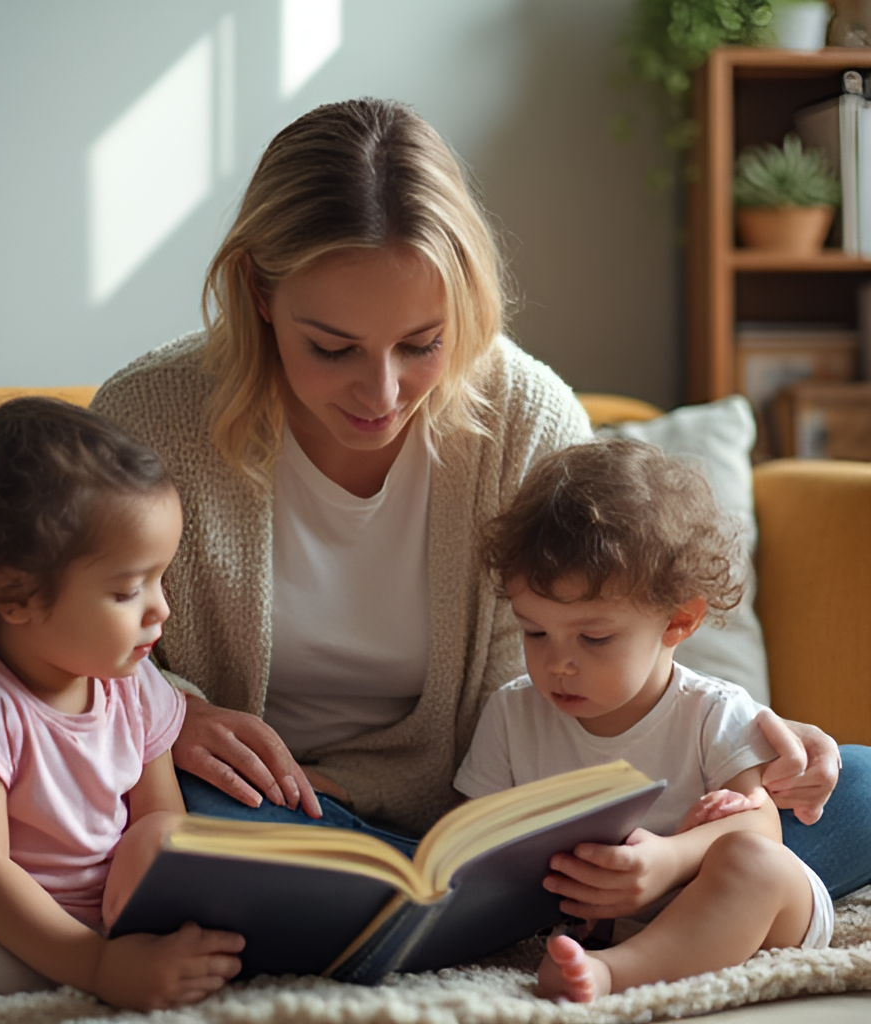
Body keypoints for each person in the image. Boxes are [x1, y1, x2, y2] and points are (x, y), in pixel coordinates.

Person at [89, 97, 869, 884]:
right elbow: (31, 646)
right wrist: (171, 715)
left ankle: (415, 903)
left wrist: (737, 744)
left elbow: (577, 676)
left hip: (486, 822)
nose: (382, 393)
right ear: (259, 292)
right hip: (251, 805)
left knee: (852, 787)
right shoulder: (148, 418)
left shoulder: (526, 416)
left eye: (423, 343)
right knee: (167, 817)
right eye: (332, 348)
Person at [0, 398, 244, 1009]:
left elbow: (159, 812)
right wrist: (99, 964)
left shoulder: (134, 681)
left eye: (161, 579)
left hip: (103, 906)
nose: (160, 609)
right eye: (129, 589)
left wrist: (156, 860)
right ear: (15, 593)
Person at [454, 438, 833, 1001]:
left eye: (594, 637)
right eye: (535, 632)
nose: (557, 663)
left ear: (678, 622)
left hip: (739, 909)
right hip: (599, 916)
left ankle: (615, 974)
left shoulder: (712, 709)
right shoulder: (512, 712)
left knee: (753, 861)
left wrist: (667, 860)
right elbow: (469, 837)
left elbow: (761, 827)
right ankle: (619, 955)